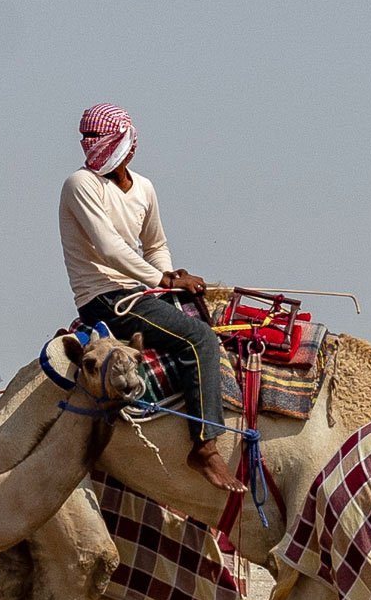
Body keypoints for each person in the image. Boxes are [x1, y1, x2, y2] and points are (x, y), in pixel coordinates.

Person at [60, 104, 244, 492]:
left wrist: (168, 281)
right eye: (87, 137)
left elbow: (156, 245)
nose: (89, 144)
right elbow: (109, 248)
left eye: (98, 137)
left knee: (210, 320)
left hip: (140, 291)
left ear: (128, 143)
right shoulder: (81, 184)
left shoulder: (143, 188)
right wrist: (163, 279)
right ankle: (206, 445)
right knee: (199, 338)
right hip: (105, 298)